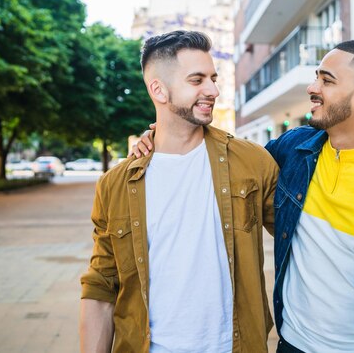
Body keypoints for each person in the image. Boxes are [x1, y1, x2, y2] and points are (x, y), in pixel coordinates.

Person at [133, 40, 354, 352]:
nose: (312, 88)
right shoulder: (293, 151)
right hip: (291, 344)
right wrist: (159, 136)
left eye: (327, 80)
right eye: (315, 78)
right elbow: (229, 160)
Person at [80, 30, 279, 353]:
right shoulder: (114, 184)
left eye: (213, 78)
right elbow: (101, 285)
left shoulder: (251, 162)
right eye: (197, 80)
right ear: (159, 89)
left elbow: (300, 237)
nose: (213, 90)